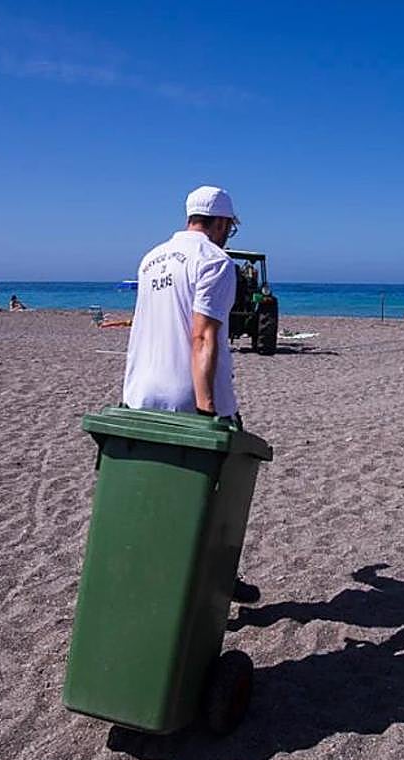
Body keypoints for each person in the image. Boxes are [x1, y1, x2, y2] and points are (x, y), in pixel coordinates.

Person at [122, 185, 258, 602]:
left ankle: (152, 575)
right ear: (220, 223)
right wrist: (208, 411)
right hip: (188, 396)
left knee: (156, 496)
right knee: (219, 499)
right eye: (229, 228)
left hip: (140, 392)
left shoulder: (150, 259)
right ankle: (217, 577)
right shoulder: (215, 262)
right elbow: (202, 336)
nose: (227, 235)